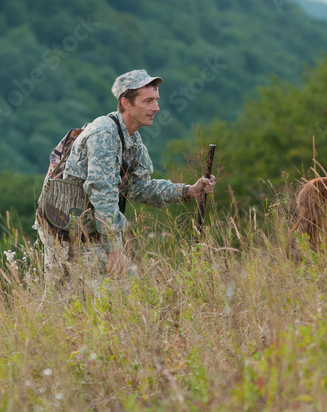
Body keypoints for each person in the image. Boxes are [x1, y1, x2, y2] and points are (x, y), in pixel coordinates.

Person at [35, 69, 216, 284]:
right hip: (65, 227)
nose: (156, 108)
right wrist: (114, 249)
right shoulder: (104, 134)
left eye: (156, 100)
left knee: (65, 304)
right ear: (126, 103)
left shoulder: (133, 140)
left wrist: (188, 191)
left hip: (79, 226)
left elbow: (140, 187)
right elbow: (102, 193)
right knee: (121, 286)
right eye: (148, 101)